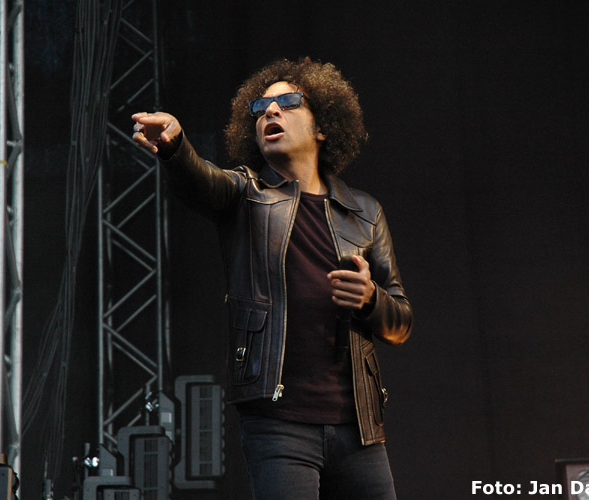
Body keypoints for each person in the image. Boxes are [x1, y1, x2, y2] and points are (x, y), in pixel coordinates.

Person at [132, 57, 413, 500]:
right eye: (261, 107)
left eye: (288, 102)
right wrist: (175, 147)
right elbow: (201, 181)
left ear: (323, 128)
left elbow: (401, 323)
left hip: (359, 427)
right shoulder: (245, 193)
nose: (271, 111)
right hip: (279, 423)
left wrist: (371, 298)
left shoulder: (365, 212)